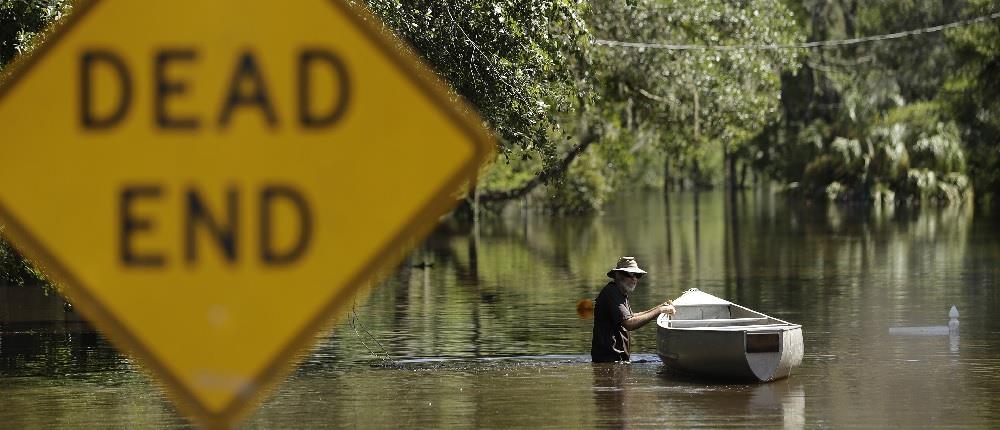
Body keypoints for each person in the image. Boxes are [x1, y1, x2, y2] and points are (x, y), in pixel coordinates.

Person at [591, 256, 675, 363]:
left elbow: (631, 316)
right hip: (608, 361)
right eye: (629, 274)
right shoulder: (611, 293)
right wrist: (660, 310)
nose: (634, 279)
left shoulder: (620, 293)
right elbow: (629, 323)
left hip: (615, 361)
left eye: (637, 275)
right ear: (617, 275)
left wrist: (659, 307)